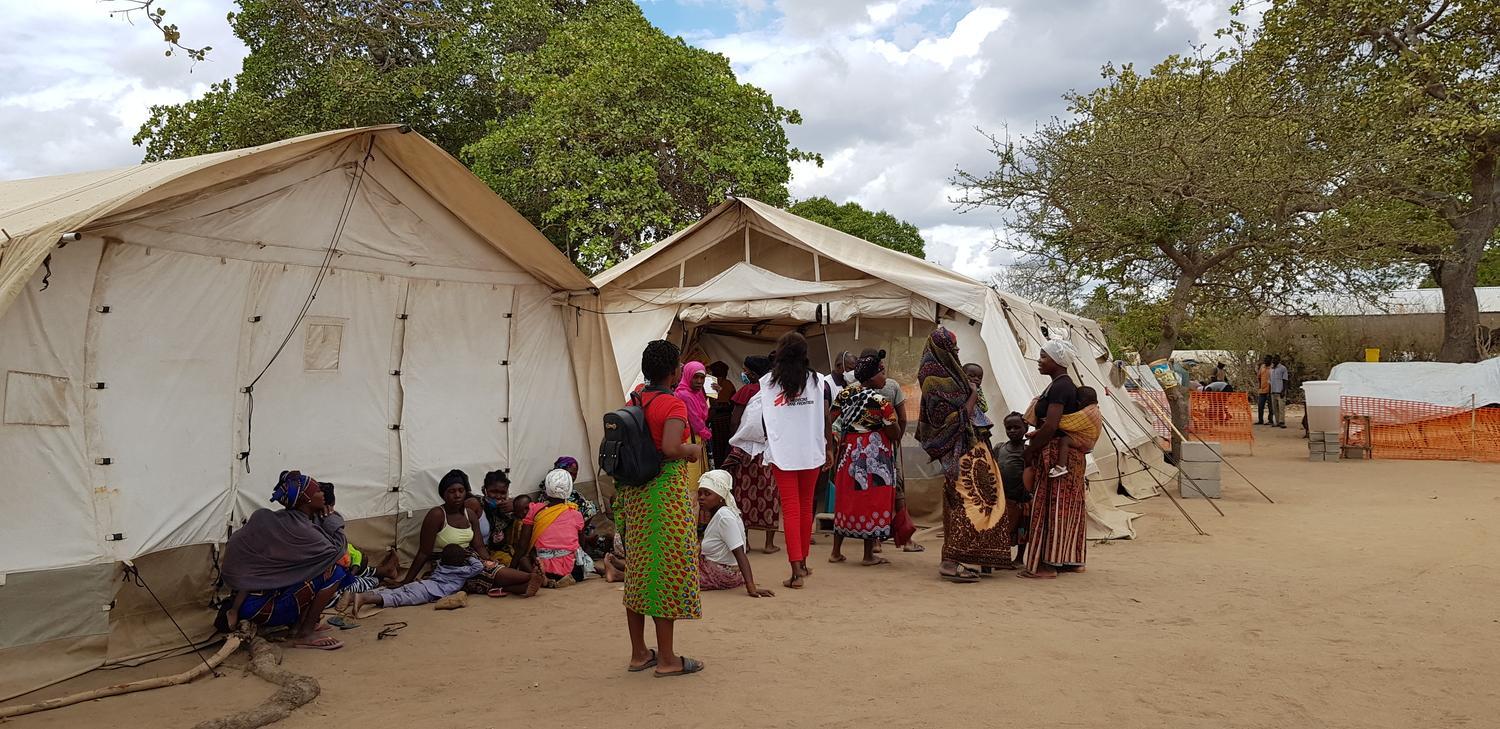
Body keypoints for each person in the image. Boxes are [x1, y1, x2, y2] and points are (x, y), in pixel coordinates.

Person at [620, 339, 704, 677]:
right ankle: (668, 659)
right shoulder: (672, 404)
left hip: (635, 495)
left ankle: (640, 653)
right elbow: (670, 447)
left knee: (638, 573)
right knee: (666, 573)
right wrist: (691, 451)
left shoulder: (636, 398)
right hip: (663, 497)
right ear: (674, 372)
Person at [917, 327, 1013, 584]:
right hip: (958, 452)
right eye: (953, 348)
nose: (957, 352)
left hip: (973, 447)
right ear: (941, 350)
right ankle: (950, 561)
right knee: (965, 503)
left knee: (984, 500)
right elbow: (949, 420)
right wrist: (971, 394)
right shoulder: (934, 380)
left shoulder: (951, 374)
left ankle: (977, 555)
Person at [222, 471, 353, 650]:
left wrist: (235, 609)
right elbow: (337, 551)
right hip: (261, 608)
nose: (322, 494)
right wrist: (332, 520)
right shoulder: (302, 530)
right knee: (335, 571)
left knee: (310, 569)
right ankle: (305, 633)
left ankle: (299, 625)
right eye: (317, 491)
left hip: (245, 603)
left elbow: (255, 568)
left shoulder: (277, 520)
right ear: (306, 500)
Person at [761, 331, 833, 590]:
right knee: (805, 508)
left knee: (790, 510)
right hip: (811, 450)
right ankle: (802, 563)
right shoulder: (818, 381)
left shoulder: (767, 383)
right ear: (804, 355)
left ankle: (795, 572)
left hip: (783, 453)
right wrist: (829, 447)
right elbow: (825, 416)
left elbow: (763, 420)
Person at [1020, 340, 1089, 579]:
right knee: (1067, 506)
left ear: (1057, 361)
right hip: (1067, 456)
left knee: (1050, 506)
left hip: (1058, 456)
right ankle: (1069, 560)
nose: (1039, 361)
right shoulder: (1060, 385)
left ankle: (1045, 566)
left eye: (1043, 356)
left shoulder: (1061, 388)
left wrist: (1030, 450)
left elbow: (1050, 426)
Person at [828, 351, 901, 567]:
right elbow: (894, 433)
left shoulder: (844, 394)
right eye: (882, 372)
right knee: (873, 498)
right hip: (874, 454)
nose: (885, 377)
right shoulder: (880, 401)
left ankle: (836, 551)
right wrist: (892, 424)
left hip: (848, 451)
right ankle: (868, 555)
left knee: (846, 498)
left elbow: (830, 418)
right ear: (871, 376)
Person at [862, 347, 921, 553]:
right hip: (888, 443)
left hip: (865, 447)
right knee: (897, 489)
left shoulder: (853, 389)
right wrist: (896, 438)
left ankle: (875, 540)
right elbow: (902, 417)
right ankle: (906, 539)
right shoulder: (891, 386)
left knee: (872, 490)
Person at [724, 355, 780, 554]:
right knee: (769, 493)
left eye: (747, 370)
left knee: (743, 494)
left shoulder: (746, 391)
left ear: (755, 372)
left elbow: (735, 419)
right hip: (767, 449)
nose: (745, 373)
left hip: (746, 449)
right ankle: (769, 543)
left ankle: (745, 542)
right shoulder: (774, 391)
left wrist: (734, 440)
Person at [402, 469, 490, 584]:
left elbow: (479, 547)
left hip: (471, 561)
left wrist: (489, 562)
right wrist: (406, 581)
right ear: (443, 494)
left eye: (461, 490)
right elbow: (424, 552)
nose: (457, 495)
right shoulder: (437, 515)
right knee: (502, 578)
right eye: (452, 491)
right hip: (447, 565)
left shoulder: (470, 514)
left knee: (504, 576)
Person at [696, 470, 775, 597]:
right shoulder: (721, 512)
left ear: (721, 496)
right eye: (700, 493)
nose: (701, 497)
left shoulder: (724, 516)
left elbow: (739, 553)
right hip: (727, 572)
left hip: (721, 574)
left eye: (707, 494)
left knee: (670, 575)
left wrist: (751, 587)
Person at [344, 544, 482, 614]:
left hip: (423, 584)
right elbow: (478, 567)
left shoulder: (441, 565)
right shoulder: (462, 571)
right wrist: (469, 556)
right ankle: (365, 599)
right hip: (429, 592)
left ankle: (355, 596)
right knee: (398, 599)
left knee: (395, 592)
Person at [519, 469, 589, 586]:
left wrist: (512, 567)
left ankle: (541, 578)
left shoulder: (535, 510)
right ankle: (565, 578)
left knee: (523, 560)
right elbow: (581, 545)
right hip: (571, 569)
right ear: (569, 490)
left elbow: (523, 544)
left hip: (543, 565)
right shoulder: (576, 513)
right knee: (579, 557)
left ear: (546, 489)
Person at [997, 413, 1030, 568]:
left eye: (1017, 427)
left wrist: (1026, 491)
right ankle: (1002, 557)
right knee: (1003, 528)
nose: (1012, 431)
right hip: (1003, 497)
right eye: (1008, 428)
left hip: (1021, 497)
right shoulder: (1000, 448)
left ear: (1026, 428)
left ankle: (1019, 558)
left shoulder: (1028, 449)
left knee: (1022, 529)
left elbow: (1030, 471)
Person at [676, 361, 713, 483]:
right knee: (692, 477)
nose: (699, 381)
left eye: (702, 377)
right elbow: (695, 420)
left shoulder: (697, 393)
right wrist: (706, 433)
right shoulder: (685, 395)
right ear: (687, 375)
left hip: (696, 438)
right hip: (689, 439)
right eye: (695, 377)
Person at [707, 361, 737, 468]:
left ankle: (719, 465)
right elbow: (733, 402)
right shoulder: (728, 383)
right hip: (727, 418)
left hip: (716, 418)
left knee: (717, 446)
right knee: (725, 444)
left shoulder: (711, 383)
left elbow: (713, 403)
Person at [963, 363, 995, 447]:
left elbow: (984, 408)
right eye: (971, 376)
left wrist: (975, 394)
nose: (976, 379)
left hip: (976, 424)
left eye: (979, 378)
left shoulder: (978, 390)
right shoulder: (959, 389)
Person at [1270, 355, 1289, 428]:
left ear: (1279, 360)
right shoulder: (1271, 369)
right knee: (1275, 408)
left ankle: (1282, 421)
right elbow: (1270, 381)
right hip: (1273, 391)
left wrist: (1283, 390)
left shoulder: (1283, 368)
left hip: (1280, 391)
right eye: (1273, 359)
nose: (1273, 360)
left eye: (1275, 359)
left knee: (1281, 408)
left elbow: (1285, 380)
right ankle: (1277, 422)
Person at [1256, 355, 1273, 425]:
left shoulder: (1273, 367)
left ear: (1270, 360)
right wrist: (1260, 385)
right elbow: (1259, 376)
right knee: (1260, 406)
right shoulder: (1262, 366)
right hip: (1262, 389)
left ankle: (1270, 420)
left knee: (1270, 406)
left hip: (1270, 389)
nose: (1265, 361)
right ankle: (1260, 420)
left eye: (1267, 359)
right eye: (1264, 359)